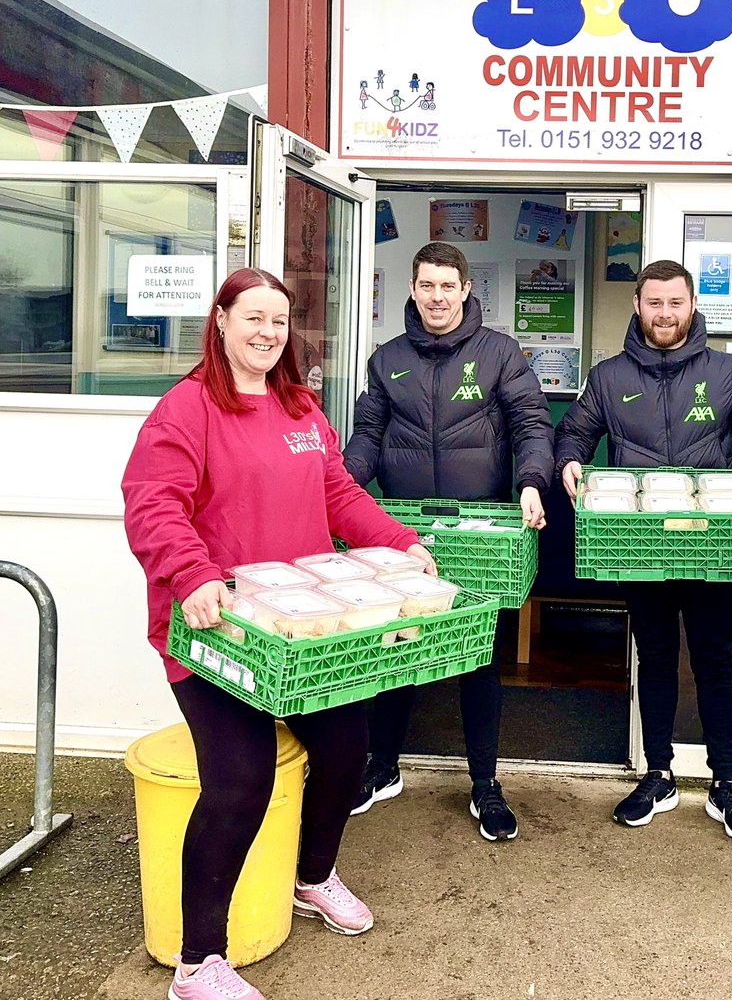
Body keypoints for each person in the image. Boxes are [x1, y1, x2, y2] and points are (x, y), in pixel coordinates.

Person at [122, 268, 436, 1000]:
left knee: (345, 746)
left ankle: (312, 876)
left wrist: (399, 543)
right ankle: (198, 962)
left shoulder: (301, 408)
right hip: (217, 630)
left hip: (299, 629)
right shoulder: (187, 409)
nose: (268, 333)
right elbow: (153, 503)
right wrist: (193, 574)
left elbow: (338, 493)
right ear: (223, 320)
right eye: (254, 318)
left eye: (279, 321)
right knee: (241, 780)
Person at [555, 259, 732, 842]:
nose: (665, 314)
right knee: (656, 657)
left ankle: (725, 783)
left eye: (675, 303)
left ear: (692, 307)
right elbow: (574, 432)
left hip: (711, 544)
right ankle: (658, 773)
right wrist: (570, 458)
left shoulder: (725, 373)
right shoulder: (610, 377)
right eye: (654, 303)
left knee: (717, 661)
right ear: (637, 307)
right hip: (639, 544)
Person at [343, 241, 553, 841]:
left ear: (466, 290)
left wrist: (532, 481)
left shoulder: (499, 353)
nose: (437, 297)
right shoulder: (388, 360)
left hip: (480, 530)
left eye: (447, 286)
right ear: (413, 289)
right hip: (406, 530)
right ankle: (382, 768)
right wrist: (338, 486)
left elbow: (532, 424)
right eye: (426, 286)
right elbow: (368, 434)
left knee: (478, 658)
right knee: (397, 645)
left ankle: (484, 783)